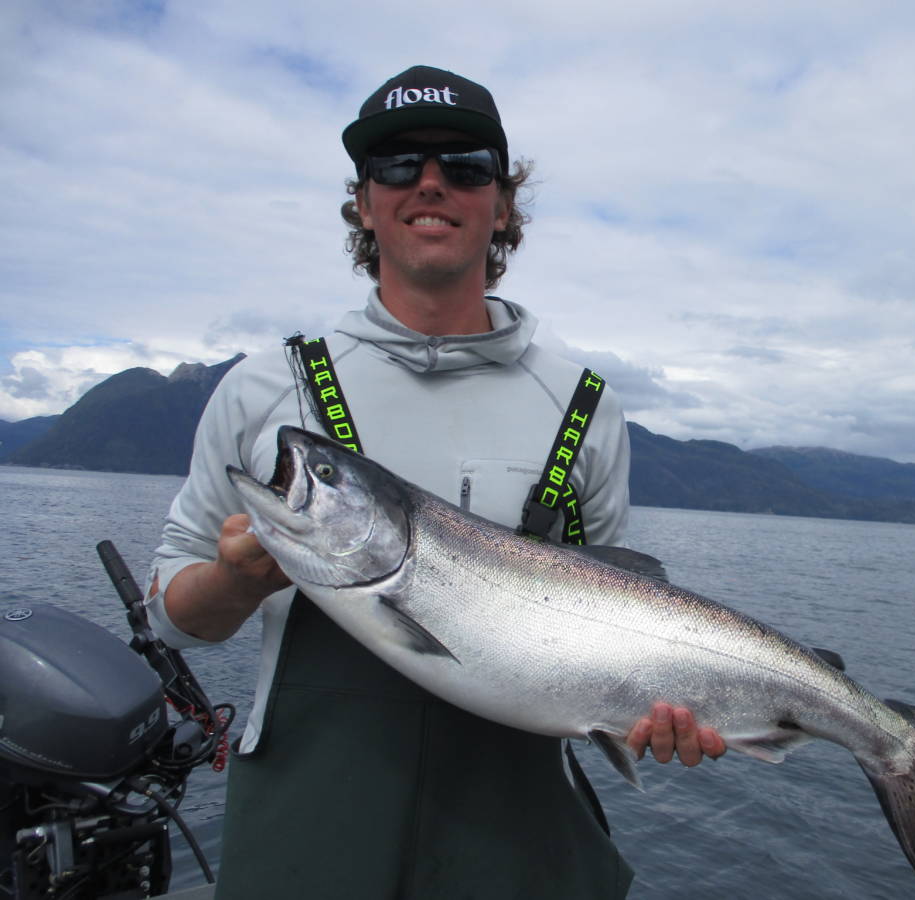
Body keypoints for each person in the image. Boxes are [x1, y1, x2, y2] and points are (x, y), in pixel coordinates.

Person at [147, 65, 724, 899]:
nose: (429, 183)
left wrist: (660, 707)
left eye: (465, 165)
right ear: (362, 202)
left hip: (517, 838)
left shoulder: (584, 406)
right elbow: (170, 617)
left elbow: (612, 616)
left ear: (503, 204)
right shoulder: (265, 388)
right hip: (307, 828)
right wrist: (234, 584)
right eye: (396, 164)